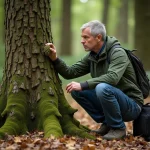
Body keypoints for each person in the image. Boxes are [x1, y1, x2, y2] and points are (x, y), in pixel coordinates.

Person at [45, 20, 143, 140]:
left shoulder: (118, 53)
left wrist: (84, 84)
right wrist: (55, 59)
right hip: (113, 99)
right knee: (76, 90)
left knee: (102, 87)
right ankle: (108, 123)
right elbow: (70, 72)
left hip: (132, 104)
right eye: (82, 37)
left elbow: (112, 78)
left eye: (86, 37)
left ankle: (118, 128)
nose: (82, 41)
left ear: (98, 37)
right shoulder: (92, 55)